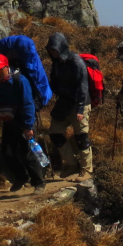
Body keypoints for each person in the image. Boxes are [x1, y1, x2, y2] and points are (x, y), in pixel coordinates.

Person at [0, 54, 45, 193]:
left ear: (7, 68)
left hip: (23, 121)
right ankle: (21, 178)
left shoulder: (20, 81)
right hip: (8, 121)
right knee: (7, 153)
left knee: (27, 153)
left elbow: (28, 104)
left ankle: (39, 183)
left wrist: (29, 126)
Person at [45, 32, 92, 180]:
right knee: (55, 133)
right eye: (51, 50)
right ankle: (72, 164)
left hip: (80, 103)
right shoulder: (56, 63)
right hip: (64, 103)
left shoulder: (76, 61)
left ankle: (87, 170)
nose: (53, 52)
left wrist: (80, 109)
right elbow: (53, 83)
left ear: (61, 47)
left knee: (81, 136)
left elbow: (83, 86)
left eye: (55, 49)